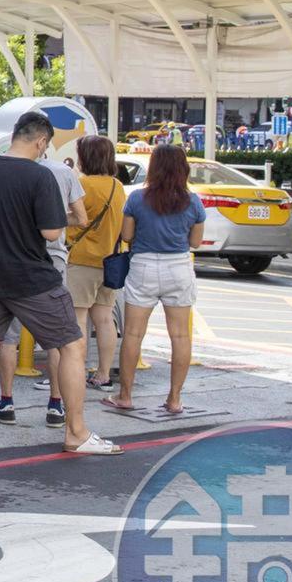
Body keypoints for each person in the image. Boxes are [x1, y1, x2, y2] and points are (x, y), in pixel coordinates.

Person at [0, 110, 119, 456]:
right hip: (33, 279)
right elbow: (51, 231)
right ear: (40, 141)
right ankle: (76, 432)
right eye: (44, 145)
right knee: (70, 347)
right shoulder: (40, 177)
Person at [107, 144, 206, 416]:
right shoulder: (193, 201)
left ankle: (125, 395)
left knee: (133, 334)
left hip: (144, 266)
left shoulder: (137, 199)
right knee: (181, 335)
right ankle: (174, 399)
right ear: (182, 168)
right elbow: (195, 241)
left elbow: (127, 236)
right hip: (178, 266)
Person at [22, 138, 88, 432]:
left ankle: (3, 401)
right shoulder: (63, 172)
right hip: (54, 258)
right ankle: (56, 404)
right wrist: (52, 219)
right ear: (44, 142)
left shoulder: (3, 170)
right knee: (60, 336)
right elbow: (81, 218)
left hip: (14, 258)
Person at [67, 134, 127, 391]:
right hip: (110, 261)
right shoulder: (117, 186)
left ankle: (75, 371)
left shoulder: (83, 185)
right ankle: (103, 374)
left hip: (81, 259)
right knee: (104, 319)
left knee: (78, 318)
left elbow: (72, 218)